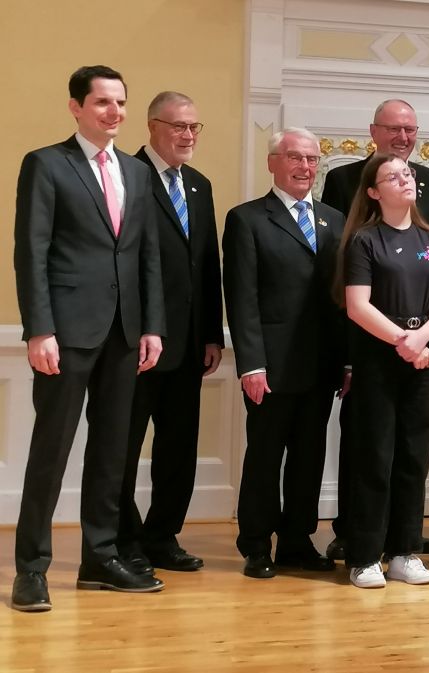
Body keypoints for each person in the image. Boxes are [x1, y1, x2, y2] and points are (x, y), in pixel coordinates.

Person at [11, 65, 166, 612]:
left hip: (125, 331)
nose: (115, 111)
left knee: (112, 452)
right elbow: (31, 251)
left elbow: (147, 254)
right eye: (103, 102)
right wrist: (40, 329)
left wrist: (152, 325)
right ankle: (31, 568)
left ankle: (100, 559)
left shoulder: (137, 172)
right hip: (67, 332)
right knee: (50, 450)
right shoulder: (47, 164)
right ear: (76, 107)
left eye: (121, 102)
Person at [320, 98, 429, 560]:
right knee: (370, 451)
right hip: (371, 347)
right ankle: (359, 540)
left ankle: (403, 544)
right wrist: (397, 341)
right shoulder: (348, 194)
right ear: (373, 132)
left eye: (410, 129)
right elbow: (351, 296)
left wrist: (424, 339)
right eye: (394, 129)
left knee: (412, 454)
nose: (403, 137)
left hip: (418, 353)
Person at [223, 127, 347, 579]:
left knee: (309, 458)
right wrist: (251, 364)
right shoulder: (247, 219)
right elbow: (242, 298)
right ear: (273, 162)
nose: (305, 167)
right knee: (264, 456)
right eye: (295, 157)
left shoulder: (335, 220)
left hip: (321, 365)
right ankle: (256, 544)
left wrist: (346, 361)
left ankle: (297, 541)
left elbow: (342, 298)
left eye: (312, 159)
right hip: (270, 366)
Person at [116, 91, 223, 576]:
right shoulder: (128, 176)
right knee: (123, 447)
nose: (188, 135)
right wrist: (143, 327)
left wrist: (212, 333)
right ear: (152, 126)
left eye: (194, 127)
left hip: (189, 345)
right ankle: (124, 540)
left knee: (178, 449)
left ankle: (163, 536)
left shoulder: (198, 185)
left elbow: (207, 265)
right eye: (178, 126)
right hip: (137, 342)